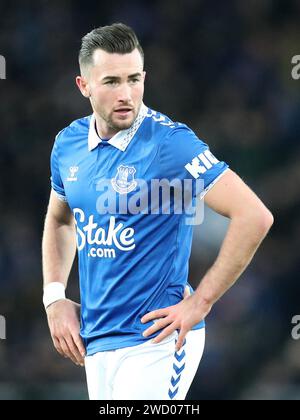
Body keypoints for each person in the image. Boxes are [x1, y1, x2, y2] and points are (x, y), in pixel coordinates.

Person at [42, 23, 274, 400]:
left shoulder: (170, 143)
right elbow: (59, 218)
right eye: (112, 82)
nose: (126, 94)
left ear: (145, 78)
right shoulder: (68, 144)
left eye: (134, 79)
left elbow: (254, 216)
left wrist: (201, 303)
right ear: (83, 86)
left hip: (158, 342)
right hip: (97, 342)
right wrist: (54, 297)